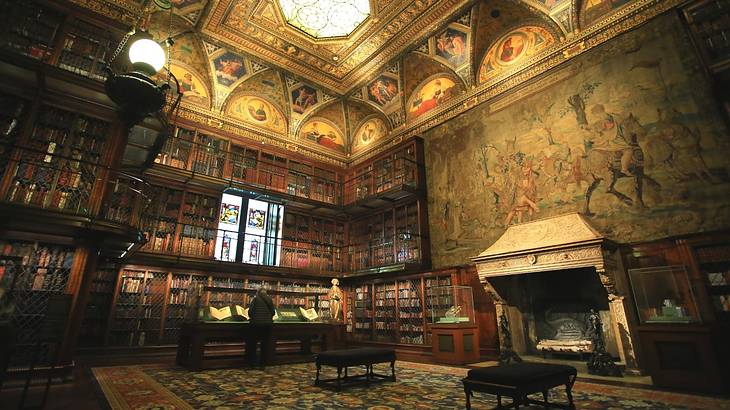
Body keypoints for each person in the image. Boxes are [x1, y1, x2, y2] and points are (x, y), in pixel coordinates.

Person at [246, 287, 275, 367]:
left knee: (253, 344)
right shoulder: (269, 300)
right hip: (266, 325)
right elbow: (273, 312)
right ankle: (262, 364)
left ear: (258, 292)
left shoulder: (255, 299)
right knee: (264, 345)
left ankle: (252, 363)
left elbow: (250, 311)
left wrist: (253, 317)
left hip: (255, 325)